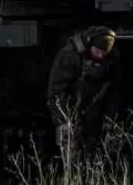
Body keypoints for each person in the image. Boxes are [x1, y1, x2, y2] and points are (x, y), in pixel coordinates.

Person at [46, 26, 122, 162]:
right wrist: (62, 121)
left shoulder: (111, 59)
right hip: (69, 113)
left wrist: (111, 118)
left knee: (97, 158)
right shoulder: (70, 56)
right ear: (89, 44)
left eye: (104, 53)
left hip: (94, 113)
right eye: (97, 51)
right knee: (72, 159)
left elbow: (115, 91)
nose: (100, 56)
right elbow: (56, 91)